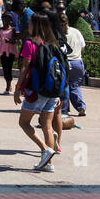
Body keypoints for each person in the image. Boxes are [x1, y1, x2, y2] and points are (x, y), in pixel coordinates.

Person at [14, 12, 66, 172]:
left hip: (36, 91)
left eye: (30, 22)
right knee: (47, 125)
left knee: (23, 122)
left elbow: (24, 67)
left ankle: (45, 149)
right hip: (52, 91)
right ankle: (48, 164)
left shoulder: (30, 43)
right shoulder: (52, 43)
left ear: (35, 25)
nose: (28, 25)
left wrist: (17, 88)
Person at [61, 9, 87, 117]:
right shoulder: (76, 31)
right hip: (77, 62)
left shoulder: (58, 34)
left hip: (65, 63)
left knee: (64, 86)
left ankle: (64, 109)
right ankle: (81, 106)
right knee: (75, 86)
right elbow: (83, 46)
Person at [0, 13, 18, 94]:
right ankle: (8, 84)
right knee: (5, 69)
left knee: (9, 68)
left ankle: (8, 86)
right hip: (3, 51)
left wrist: (10, 41)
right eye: (4, 19)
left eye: (8, 19)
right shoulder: (0, 30)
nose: (6, 21)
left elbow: (15, 40)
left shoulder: (12, 30)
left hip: (11, 52)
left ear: (11, 21)